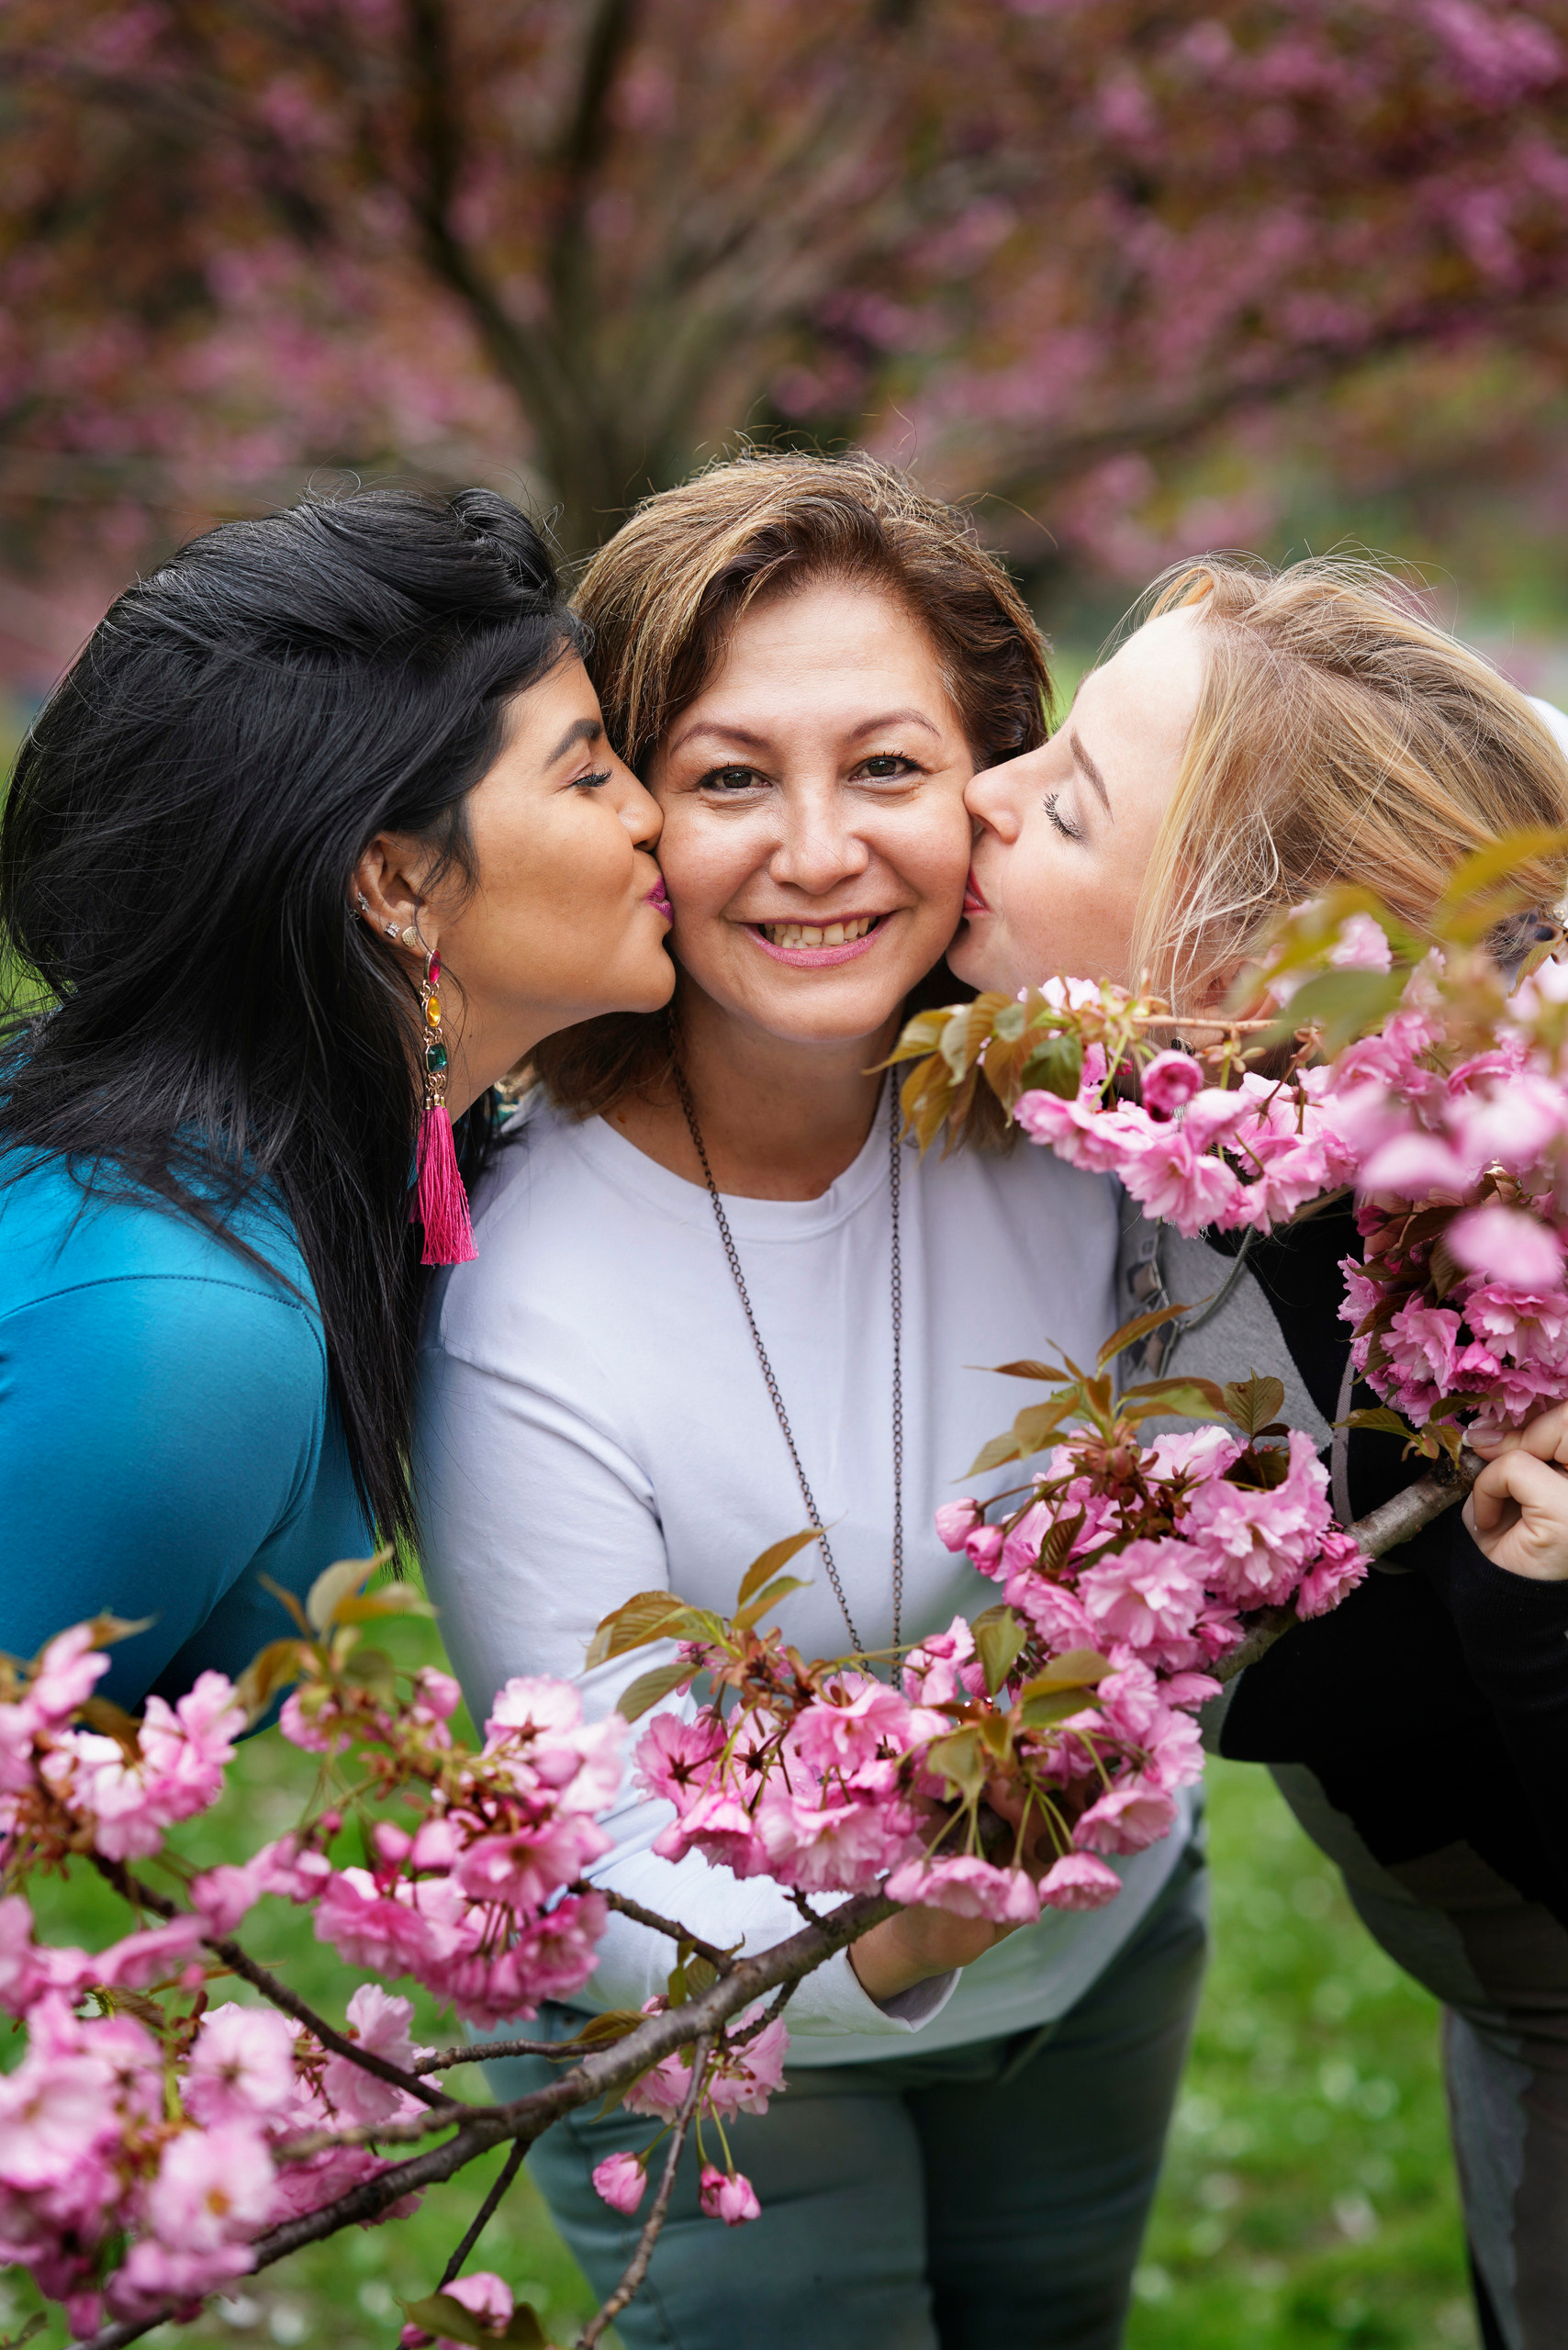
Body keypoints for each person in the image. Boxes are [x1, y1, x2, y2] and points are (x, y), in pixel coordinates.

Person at [415, 453, 1207, 2350]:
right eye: (725, 776)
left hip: (1096, 1959)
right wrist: (927, 1905)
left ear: (989, 788)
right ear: (620, 817)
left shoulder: (1106, 1119)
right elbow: (601, 1856)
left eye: (884, 766)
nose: (816, 848)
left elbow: (1234, 1494)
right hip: (717, 2032)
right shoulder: (519, 1296)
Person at [951, 552, 1568, 2350]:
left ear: (1236, 969)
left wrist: (1532, 1598)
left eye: (1062, 803)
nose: (983, 794)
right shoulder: (1261, 1084)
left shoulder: (1491, 1246)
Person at [0, 486, 672, 1709]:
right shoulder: (183, 1337)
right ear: (397, 880)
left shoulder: (301, 1175)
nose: (650, 813)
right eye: (588, 777)